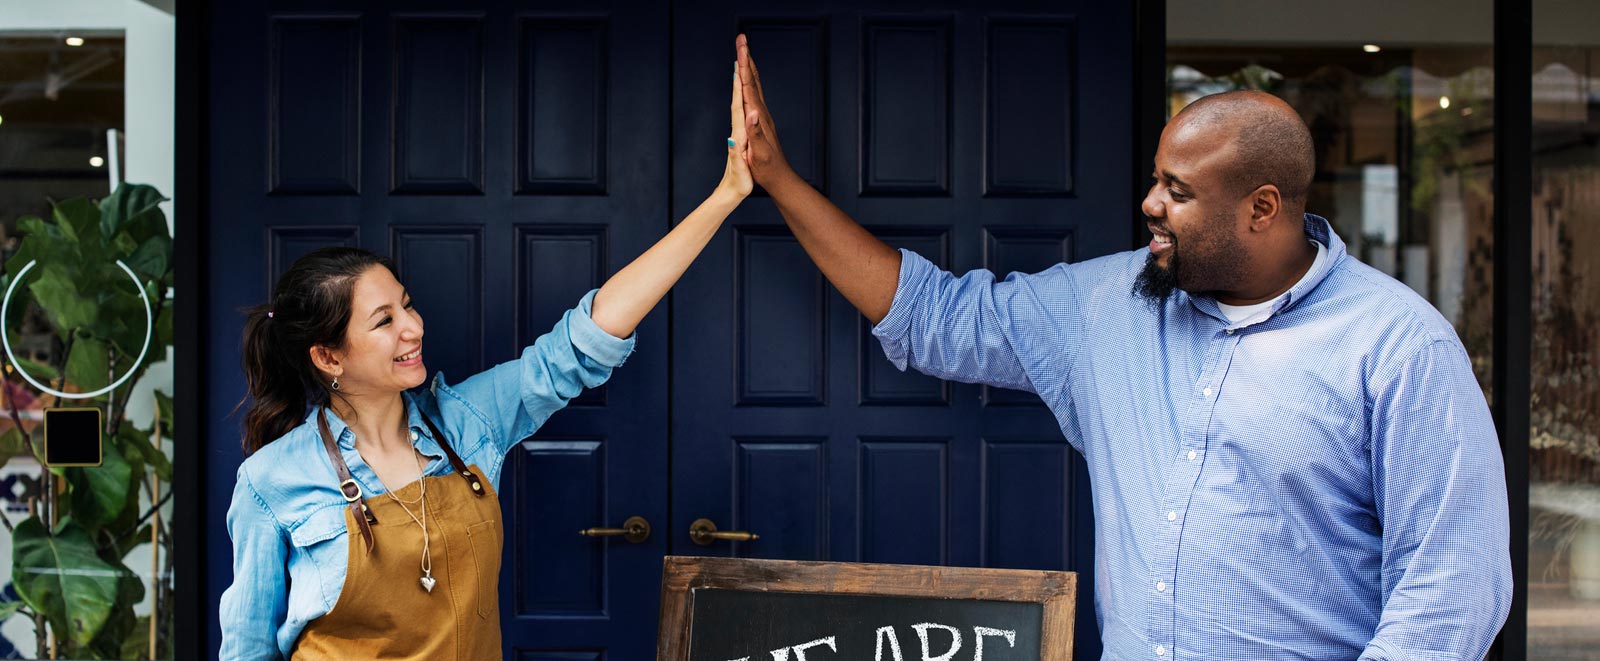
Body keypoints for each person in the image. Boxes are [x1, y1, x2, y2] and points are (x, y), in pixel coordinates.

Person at [734, 34, 1512, 660]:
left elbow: (1449, 595)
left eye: (1178, 190)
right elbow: (935, 314)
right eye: (1154, 179)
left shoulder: (1400, 349)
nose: (1149, 204)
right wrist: (777, 178)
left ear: (1261, 208)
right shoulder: (1110, 305)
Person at [217, 67, 753, 659]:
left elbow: (584, 339)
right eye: (384, 320)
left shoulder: (467, 422)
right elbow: (246, 650)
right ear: (327, 355)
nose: (413, 327)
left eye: (408, 305)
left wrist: (725, 196)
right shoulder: (270, 483)